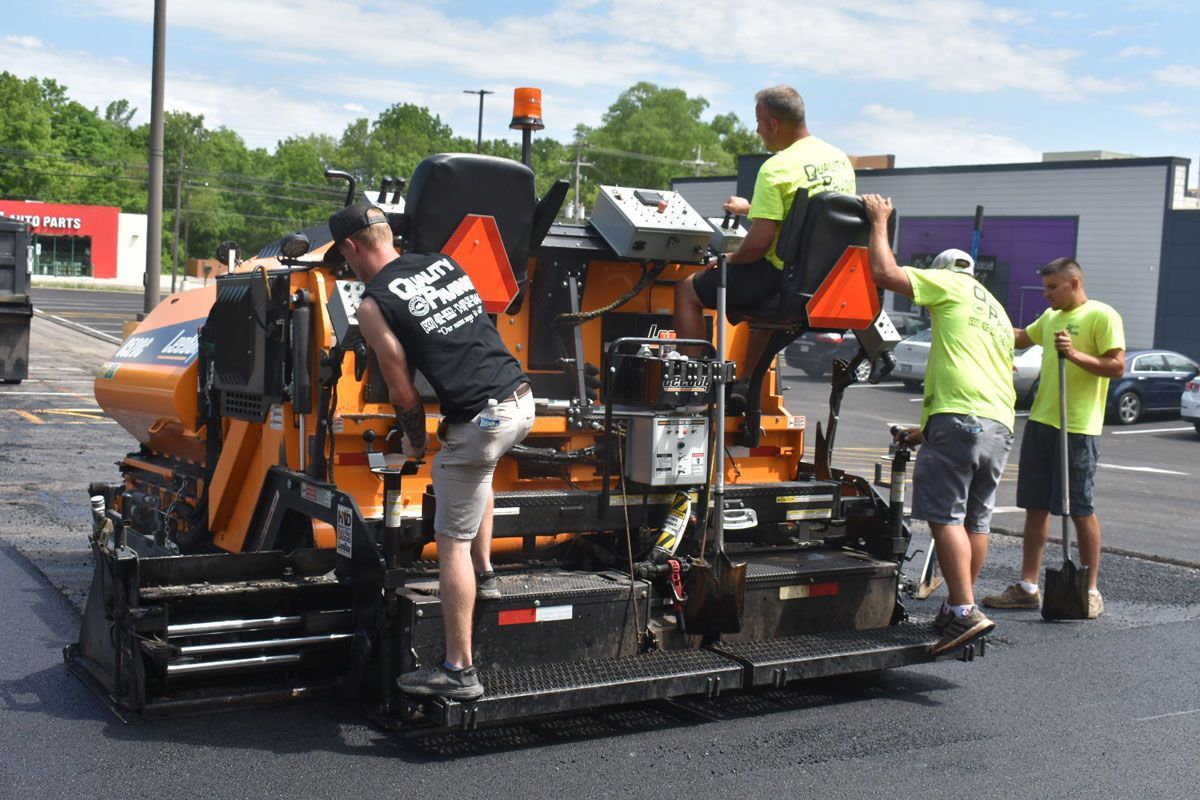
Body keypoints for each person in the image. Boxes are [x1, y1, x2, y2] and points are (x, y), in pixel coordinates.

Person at [326, 203, 534, 700]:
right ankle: (487, 576)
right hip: (521, 402)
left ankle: (459, 670)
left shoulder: (373, 305)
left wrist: (415, 442)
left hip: (483, 419)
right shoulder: (443, 263)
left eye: (344, 256)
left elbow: (402, 392)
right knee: (473, 470)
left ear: (352, 247)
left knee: (450, 539)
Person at [863, 194, 1016, 655]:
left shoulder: (949, 285)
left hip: (961, 416)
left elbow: (885, 273)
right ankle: (957, 607)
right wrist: (924, 431)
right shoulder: (997, 311)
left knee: (943, 515)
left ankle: (965, 612)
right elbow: (976, 378)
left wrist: (879, 221)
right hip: (1000, 424)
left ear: (943, 272)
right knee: (976, 519)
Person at [673, 85, 855, 405]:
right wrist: (751, 209)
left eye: (758, 123)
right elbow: (814, 214)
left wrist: (728, 257)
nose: (757, 131)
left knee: (688, 290)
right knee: (766, 303)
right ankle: (745, 384)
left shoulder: (776, 168)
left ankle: (695, 385)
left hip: (781, 278)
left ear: (773, 124)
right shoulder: (839, 160)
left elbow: (757, 245)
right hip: (826, 283)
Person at [982, 258, 1124, 618]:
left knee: (1079, 508)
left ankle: (1089, 588)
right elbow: (1019, 337)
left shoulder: (1102, 315)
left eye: (1052, 288)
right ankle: (1029, 587)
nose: (1046, 295)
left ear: (1074, 283)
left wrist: (1073, 354)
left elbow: (1116, 365)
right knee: (1035, 506)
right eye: (1045, 288)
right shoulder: (1050, 318)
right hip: (1042, 422)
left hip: (1077, 427)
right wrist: (982, 320)